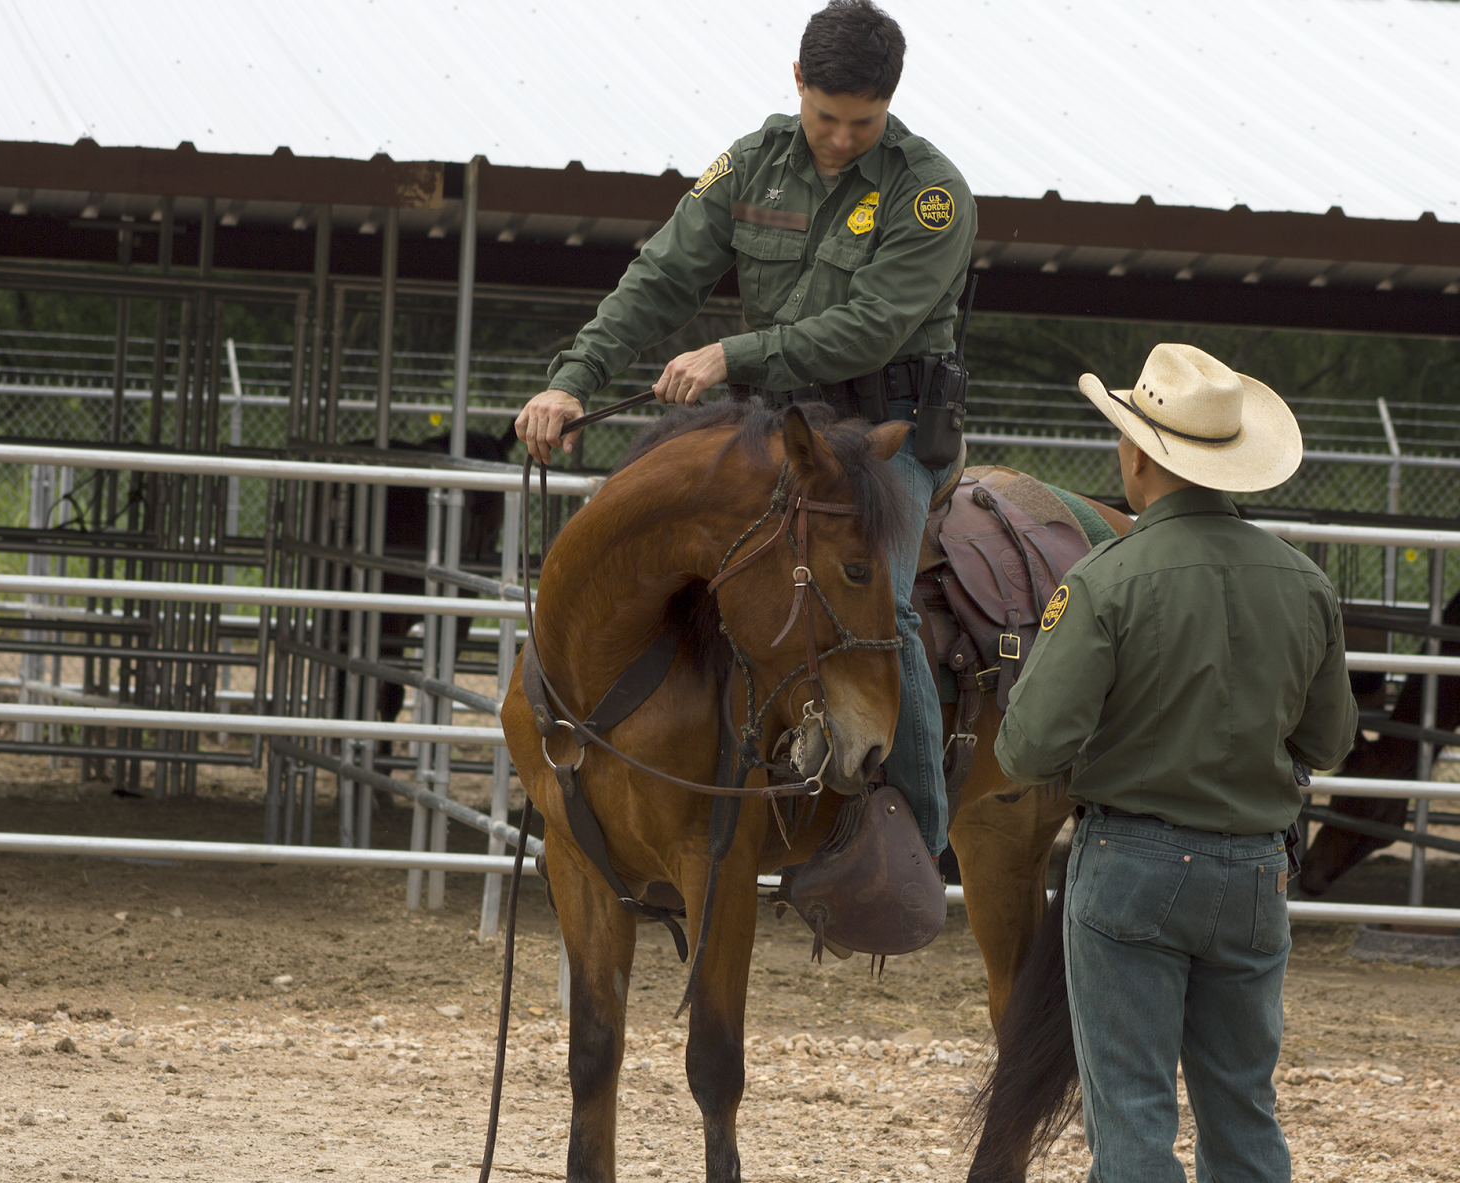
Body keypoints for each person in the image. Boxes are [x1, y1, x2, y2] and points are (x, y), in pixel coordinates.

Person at [514, 0, 977, 859]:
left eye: (862, 123)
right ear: (796, 82)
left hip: (889, 433)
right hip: (783, 429)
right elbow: (663, 273)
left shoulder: (932, 193)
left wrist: (731, 353)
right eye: (826, 117)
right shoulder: (752, 161)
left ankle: (907, 835)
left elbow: (873, 326)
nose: (840, 138)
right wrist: (572, 383)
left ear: (891, 102)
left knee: (888, 603)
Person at [994, 343, 1358, 1182]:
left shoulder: (1103, 582)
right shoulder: (1305, 583)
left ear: (1136, 453)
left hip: (1133, 865)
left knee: (1131, 1120)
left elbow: (1027, 749)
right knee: (1244, 1111)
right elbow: (1327, 743)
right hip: (1256, 870)